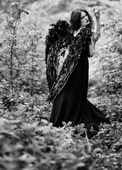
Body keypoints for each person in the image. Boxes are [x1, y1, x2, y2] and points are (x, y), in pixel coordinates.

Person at [45, 8, 109, 136]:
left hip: (80, 68)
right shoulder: (71, 31)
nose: (86, 18)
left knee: (73, 93)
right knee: (62, 91)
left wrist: (97, 19)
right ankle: (60, 120)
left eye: (86, 16)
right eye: (82, 17)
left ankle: (72, 120)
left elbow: (91, 52)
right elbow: (62, 46)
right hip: (68, 67)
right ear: (76, 20)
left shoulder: (86, 33)